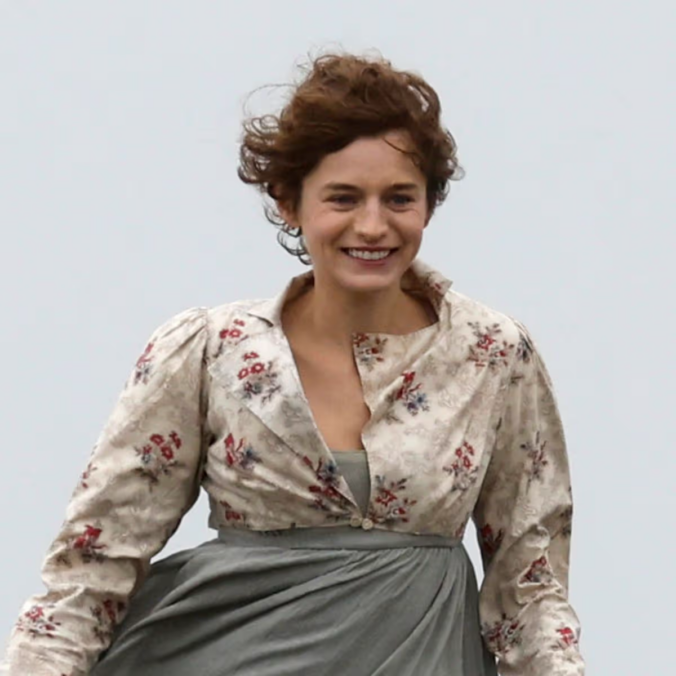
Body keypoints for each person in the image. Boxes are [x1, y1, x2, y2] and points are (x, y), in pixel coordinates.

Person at [1, 50, 585, 675]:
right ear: (288, 202)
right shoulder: (210, 350)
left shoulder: (493, 354)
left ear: (430, 204)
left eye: (399, 198)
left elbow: (531, 588)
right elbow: (90, 572)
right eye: (343, 198)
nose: (373, 225)